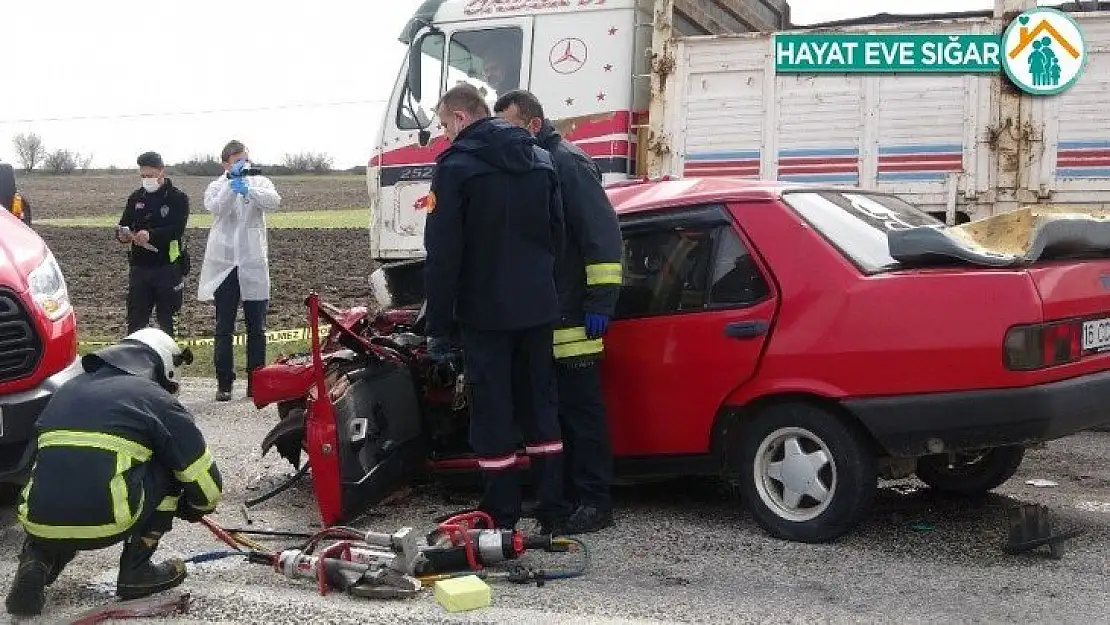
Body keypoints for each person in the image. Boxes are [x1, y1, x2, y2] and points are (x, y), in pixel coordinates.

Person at [424, 83, 570, 533]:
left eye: (446, 125)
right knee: (541, 409)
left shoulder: (456, 168)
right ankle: (553, 512)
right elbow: (557, 236)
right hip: (537, 308)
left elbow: (444, 253)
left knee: (493, 415)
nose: (445, 135)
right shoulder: (541, 161)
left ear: (462, 117)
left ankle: (501, 517)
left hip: (485, 313)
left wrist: (439, 327)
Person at [5, 328, 223, 617]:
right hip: (109, 520)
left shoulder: (65, 391)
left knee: (58, 474)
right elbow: (205, 483)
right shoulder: (157, 399)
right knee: (169, 468)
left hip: (38, 520)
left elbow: (34, 463)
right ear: (164, 366)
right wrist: (194, 507)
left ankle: (36, 559)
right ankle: (137, 571)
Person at [494, 90, 623, 534]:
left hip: (575, 317)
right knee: (553, 412)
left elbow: (602, 239)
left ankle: (594, 500)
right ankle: (563, 497)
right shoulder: (537, 164)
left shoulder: (567, 164)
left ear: (532, 124)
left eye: (509, 126)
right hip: (548, 315)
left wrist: (600, 303)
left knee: (582, 411)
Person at [197, 140, 281, 401]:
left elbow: (273, 202)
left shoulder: (260, 182)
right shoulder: (216, 186)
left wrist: (247, 190)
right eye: (236, 161)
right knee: (224, 326)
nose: (243, 164)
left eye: (245, 159)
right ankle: (224, 382)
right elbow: (215, 208)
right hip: (224, 264)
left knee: (257, 326)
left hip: (252, 262)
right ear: (225, 163)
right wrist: (231, 189)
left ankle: (256, 382)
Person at [116, 151, 190, 337]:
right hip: (140, 269)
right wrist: (123, 235)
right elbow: (124, 223)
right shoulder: (136, 198)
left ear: (161, 171)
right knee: (136, 323)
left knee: (168, 325)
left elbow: (176, 229)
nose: (146, 179)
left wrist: (151, 235)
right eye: (143, 176)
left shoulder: (177, 198)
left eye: (150, 175)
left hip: (168, 268)